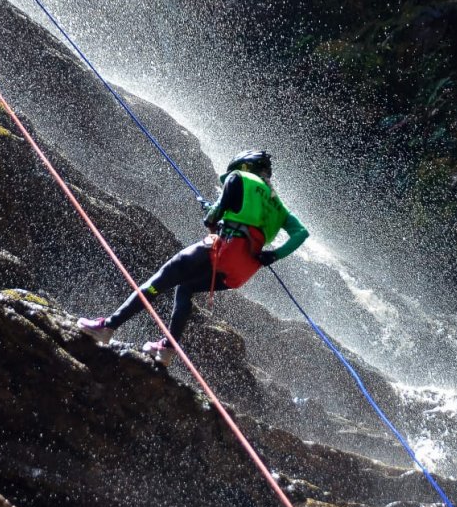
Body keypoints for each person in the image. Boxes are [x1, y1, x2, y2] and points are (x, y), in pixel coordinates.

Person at [77, 149, 309, 365]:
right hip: (244, 269)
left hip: (223, 249)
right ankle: (166, 349)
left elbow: (212, 218)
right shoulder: (278, 205)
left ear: (245, 166)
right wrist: (274, 255)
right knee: (185, 288)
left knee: (160, 280)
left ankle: (107, 326)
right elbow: (301, 233)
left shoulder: (239, 177)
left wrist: (210, 214)